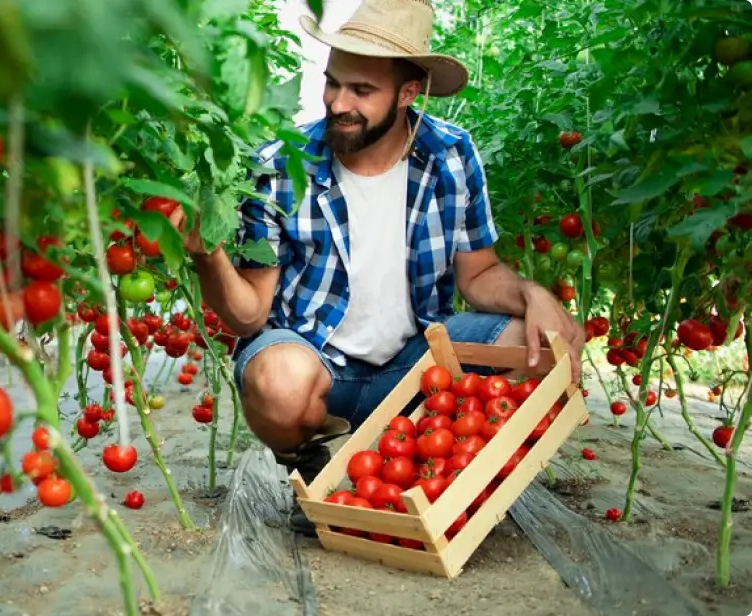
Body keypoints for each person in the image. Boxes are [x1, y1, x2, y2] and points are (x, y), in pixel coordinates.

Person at [173, 0, 585, 536]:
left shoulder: (450, 156)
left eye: (361, 91)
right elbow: (250, 315)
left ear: (408, 93)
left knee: (539, 348)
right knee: (278, 380)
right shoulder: (281, 163)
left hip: (418, 369)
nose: (338, 103)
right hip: (320, 368)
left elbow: (478, 275)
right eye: (333, 83)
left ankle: (443, 468)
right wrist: (208, 254)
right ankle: (316, 469)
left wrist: (535, 296)